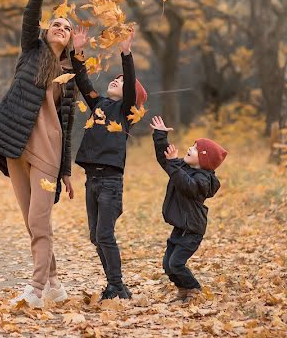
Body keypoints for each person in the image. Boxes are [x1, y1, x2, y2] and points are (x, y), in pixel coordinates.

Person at [0, 0, 76, 309]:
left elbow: (68, 124)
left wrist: (66, 171)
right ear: (47, 31)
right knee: (32, 223)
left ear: (72, 39)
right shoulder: (32, 53)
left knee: (39, 220)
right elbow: (30, 15)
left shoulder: (69, 74)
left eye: (67, 26)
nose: (60, 27)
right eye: (56, 23)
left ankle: (34, 288)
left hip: (47, 154)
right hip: (16, 148)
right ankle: (55, 284)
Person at [70, 26, 146, 301]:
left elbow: (130, 90)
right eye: (115, 78)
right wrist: (78, 53)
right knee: (95, 237)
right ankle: (118, 287)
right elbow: (83, 83)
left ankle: (115, 286)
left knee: (104, 235)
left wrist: (126, 54)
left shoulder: (125, 112)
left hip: (111, 183)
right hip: (93, 180)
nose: (116, 81)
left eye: (123, 81)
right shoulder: (99, 104)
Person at [149, 115, 227, 301]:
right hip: (181, 227)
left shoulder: (204, 180)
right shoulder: (182, 167)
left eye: (195, 149)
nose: (189, 149)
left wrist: (175, 164)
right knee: (168, 265)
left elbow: (187, 186)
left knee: (176, 263)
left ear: (204, 160)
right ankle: (183, 291)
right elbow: (165, 160)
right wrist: (160, 136)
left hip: (192, 229)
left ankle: (194, 289)